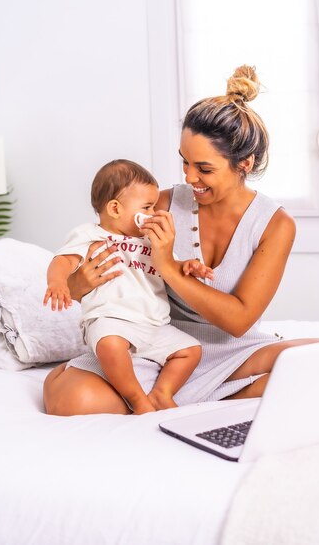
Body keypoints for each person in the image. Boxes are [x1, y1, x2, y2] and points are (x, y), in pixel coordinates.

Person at [43, 64, 319, 416]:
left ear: (245, 164)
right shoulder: (159, 204)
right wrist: (79, 284)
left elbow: (238, 321)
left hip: (233, 349)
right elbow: (100, 261)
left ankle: (205, 397)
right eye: (184, 162)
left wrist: (169, 268)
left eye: (204, 168)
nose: (189, 177)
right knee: (72, 398)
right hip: (158, 347)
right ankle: (195, 398)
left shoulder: (275, 224)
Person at [43, 159, 212, 414]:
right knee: (111, 345)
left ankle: (161, 393)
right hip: (109, 318)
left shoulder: (150, 239)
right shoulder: (90, 235)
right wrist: (57, 283)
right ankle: (136, 398)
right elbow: (62, 260)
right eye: (147, 206)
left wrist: (189, 266)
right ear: (115, 208)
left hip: (153, 324)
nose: (154, 213)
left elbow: (171, 267)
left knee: (190, 350)